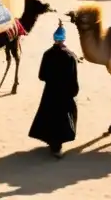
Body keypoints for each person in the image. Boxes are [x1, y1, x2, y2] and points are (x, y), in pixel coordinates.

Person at [29, 21, 79, 158]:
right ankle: (57, 147)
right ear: (64, 39)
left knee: (49, 116)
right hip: (64, 94)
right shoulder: (70, 56)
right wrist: (73, 92)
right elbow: (73, 79)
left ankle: (52, 144)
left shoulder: (47, 54)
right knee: (61, 119)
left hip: (50, 92)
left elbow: (41, 76)